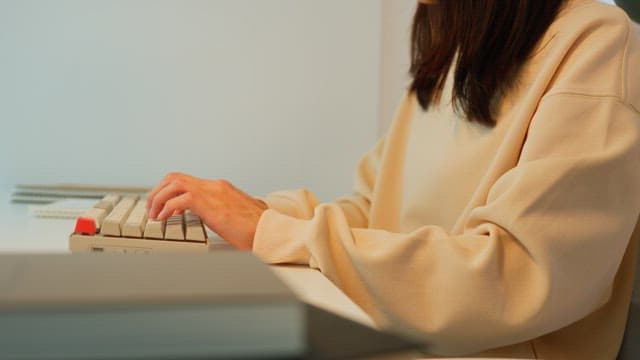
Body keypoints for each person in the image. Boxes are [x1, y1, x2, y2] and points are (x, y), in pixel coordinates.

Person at [146, 0, 640, 358]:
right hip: (404, 335)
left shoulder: (598, 42)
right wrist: (250, 217)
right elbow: (373, 208)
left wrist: (274, 232)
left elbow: (518, 276)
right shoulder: (453, 54)